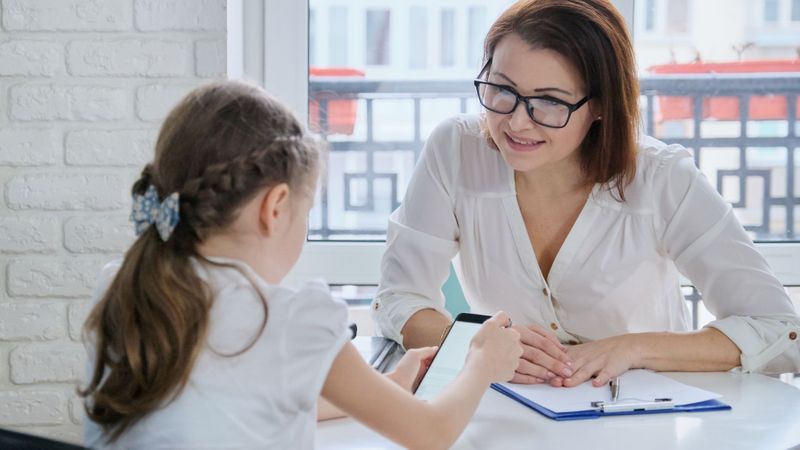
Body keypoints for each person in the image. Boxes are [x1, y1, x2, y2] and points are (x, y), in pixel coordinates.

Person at [372, 0, 800, 389]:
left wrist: (631, 348)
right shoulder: (456, 149)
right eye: (502, 91)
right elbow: (399, 297)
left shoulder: (663, 178)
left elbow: (777, 329)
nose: (518, 123)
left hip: (640, 419)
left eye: (550, 101)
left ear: (599, 106)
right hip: (508, 415)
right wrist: (476, 345)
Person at [79, 80, 522, 449]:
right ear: (275, 207)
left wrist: (392, 384)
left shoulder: (124, 286)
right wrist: (481, 362)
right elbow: (432, 434)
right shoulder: (289, 320)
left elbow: (258, 397)